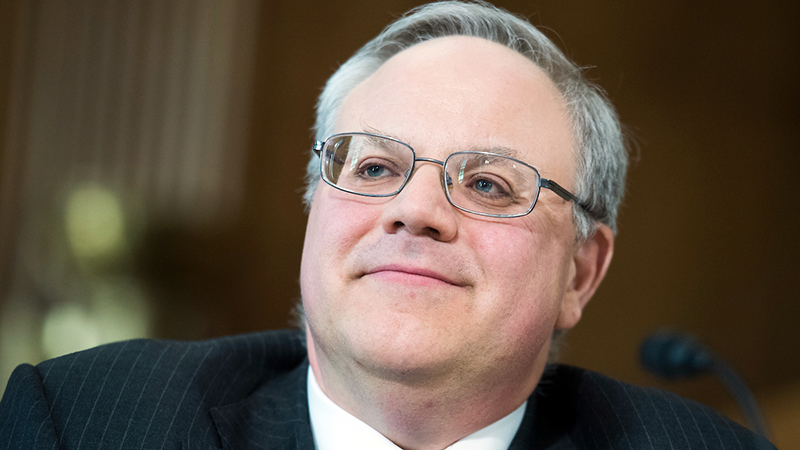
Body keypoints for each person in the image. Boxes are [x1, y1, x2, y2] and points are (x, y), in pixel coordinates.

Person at [0, 1, 775, 449]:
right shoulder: (84, 421)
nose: (416, 210)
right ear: (315, 206)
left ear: (580, 271)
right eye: (373, 169)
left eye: (487, 182)